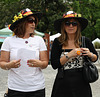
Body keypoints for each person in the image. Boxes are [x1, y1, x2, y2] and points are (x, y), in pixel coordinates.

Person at [0, 8, 48, 97]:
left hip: (37, 88)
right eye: (30, 21)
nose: (33, 24)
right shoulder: (9, 41)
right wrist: (9, 65)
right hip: (16, 88)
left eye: (35, 21)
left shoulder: (39, 40)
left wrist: (39, 64)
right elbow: (2, 63)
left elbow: (45, 63)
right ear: (21, 23)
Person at [50, 11, 98, 97]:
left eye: (74, 23)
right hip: (62, 83)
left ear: (78, 26)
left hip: (82, 83)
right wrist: (69, 55)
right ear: (63, 26)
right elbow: (54, 64)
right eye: (67, 23)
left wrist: (90, 54)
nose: (71, 26)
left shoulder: (84, 41)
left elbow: (95, 58)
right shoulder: (58, 42)